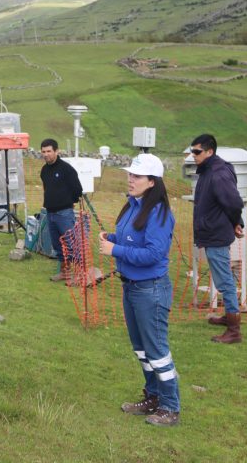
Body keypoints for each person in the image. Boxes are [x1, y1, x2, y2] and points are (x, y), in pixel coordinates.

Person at [99, 153, 180, 427]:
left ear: (152, 181)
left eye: (136, 176)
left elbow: (154, 253)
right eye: (130, 174)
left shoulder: (159, 212)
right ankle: (153, 397)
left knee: (157, 351)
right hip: (131, 288)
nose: (130, 179)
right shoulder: (133, 205)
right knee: (142, 350)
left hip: (150, 290)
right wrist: (112, 238)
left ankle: (171, 407)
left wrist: (115, 250)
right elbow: (132, 239)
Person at [189, 134, 245, 344]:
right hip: (213, 231)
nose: (193, 155)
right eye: (192, 151)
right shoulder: (209, 170)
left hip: (216, 234)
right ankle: (228, 317)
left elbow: (233, 202)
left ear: (210, 151)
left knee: (225, 282)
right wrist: (236, 221)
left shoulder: (218, 173)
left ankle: (234, 329)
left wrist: (236, 220)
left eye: (197, 152)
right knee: (223, 278)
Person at [39, 138, 83, 281]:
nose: (46, 154)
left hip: (64, 213)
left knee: (71, 244)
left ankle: (80, 274)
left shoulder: (66, 169)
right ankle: (65, 273)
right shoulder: (44, 170)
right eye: (43, 152)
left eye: (49, 151)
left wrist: (70, 202)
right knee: (58, 245)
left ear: (56, 151)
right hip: (50, 213)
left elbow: (77, 189)